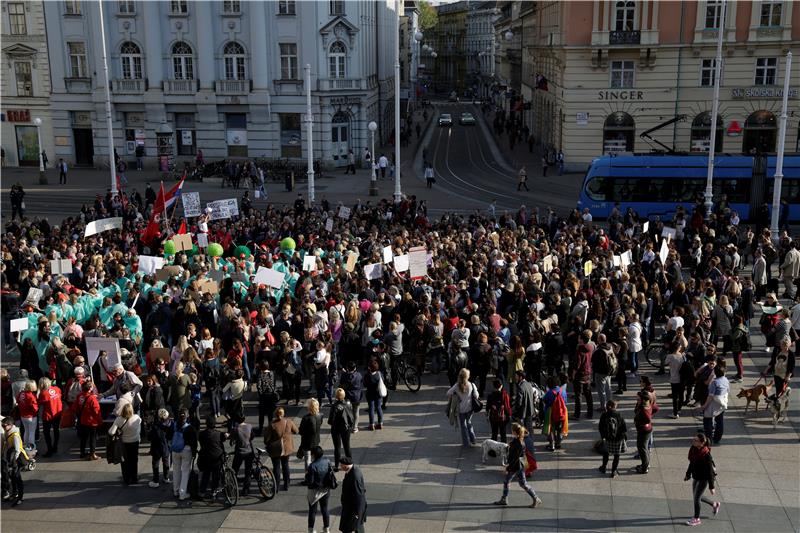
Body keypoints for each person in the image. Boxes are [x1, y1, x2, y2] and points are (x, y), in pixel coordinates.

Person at [493, 423, 542, 508]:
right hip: (520, 465)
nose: (511, 431)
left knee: (508, 482)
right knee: (523, 484)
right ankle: (535, 498)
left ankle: (504, 499)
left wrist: (507, 468)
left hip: (516, 466)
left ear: (515, 432)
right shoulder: (519, 440)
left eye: (512, 430)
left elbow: (514, 459)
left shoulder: (517, 443)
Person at [684, 433, 720, 526]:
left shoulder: (706, 455)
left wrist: (711, 487)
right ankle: (714, 504)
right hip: (696, 476)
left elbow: (710, 472)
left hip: (703, 479)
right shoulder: (693, 449)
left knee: (696, 499)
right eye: (693, 439)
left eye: (696, 440)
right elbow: (691, 463)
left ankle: (696, 518)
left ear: (702, 443)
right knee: (697, 496)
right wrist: (688, 474)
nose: (693, 441)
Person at [264, 406, 298, 491]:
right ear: (283, 414)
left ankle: (277, 486)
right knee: (285, 466)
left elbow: (266, 439)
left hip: (275, 449)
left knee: (276, 467)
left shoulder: (272, 424)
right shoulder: (289, 421)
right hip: (286, 448)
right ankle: (286, 484)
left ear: (276, 414)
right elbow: (296, 431)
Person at [108, 403, 142, 485]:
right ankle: (134, 478)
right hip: (135, 442)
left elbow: (111, 432)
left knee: (124, 461)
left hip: (124, 443)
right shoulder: (137, 418)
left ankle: (126, 479)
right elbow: (139, 425)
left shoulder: (119, 419)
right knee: (134, 460)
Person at [447, 368, 479, 448]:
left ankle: (466, 443)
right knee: (469, 423)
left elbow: (448, 393)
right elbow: (476, 396)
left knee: (463, 426)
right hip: (470, 408)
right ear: (467, 376)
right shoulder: (471, 385)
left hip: (461, 409)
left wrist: (456, 395)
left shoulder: (457, 386)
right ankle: (473, 439)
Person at [171, 409, 198, 502]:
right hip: (186, 450)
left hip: (175, 450)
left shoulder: (174, 425)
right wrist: (194, 453)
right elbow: (194, 443)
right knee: (185, 472)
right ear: (187, 416)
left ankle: (175, 490)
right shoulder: (190, 428)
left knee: (176, 470)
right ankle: (182, 494)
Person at [305, 445, 333, 533]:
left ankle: (311, 529)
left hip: (314, 491)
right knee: (325, 509)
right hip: (325, 490)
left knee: (312, 511)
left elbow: (310, 482)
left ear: (314, 455)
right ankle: (326, 529)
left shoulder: (312, 466)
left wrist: (307, 475)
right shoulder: (327, 461)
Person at [700, 362, 729, 444]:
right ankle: (717, 438)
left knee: (707, 419)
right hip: (722, 403)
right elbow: (727, 391)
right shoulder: (726, 380)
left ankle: (708, 439)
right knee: (720, 420)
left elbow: (711, 396)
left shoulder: (714, 382)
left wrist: (704, 405)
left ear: (715, 372)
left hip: (714, 403)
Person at [197, 415, 226, 496]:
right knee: (216, 475)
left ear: (206, 424)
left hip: (206, 458)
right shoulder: (219, 434)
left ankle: (202, 492)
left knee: (205, 475)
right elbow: (223, 439)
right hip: (217, 458)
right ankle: (214, 490)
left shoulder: (201, 434)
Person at [597, 400, 627, 478]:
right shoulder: (619, 415)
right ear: (615, 406)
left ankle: (603, 467)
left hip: (607, 439)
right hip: (618, 439)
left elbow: (600, 427)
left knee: (606, 453)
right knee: (616, 455)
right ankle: (613, 471)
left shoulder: (604, 415)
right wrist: (624, 437)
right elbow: (624, 427)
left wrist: (603, 437)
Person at [328, 388, 355, 470]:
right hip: (346, 428)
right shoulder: (348, 403)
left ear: (336, 396)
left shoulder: (334, 406)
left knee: (337, 447)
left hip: (336, 428)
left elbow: (331, 420)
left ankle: (336, 465)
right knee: (347, 446)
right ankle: (350, 463)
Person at [339, 456, 367, 533]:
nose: (340, 467)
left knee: (347, 528)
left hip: (352, 508)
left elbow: (358, 495)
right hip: (352, 507)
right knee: (358, 526)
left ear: (346, 465)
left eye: (341, 465)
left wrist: (358, 512)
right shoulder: (353, 470)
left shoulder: (354, 476)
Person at [2, 417, 26, 506]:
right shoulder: (8, 432)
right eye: (2, 426)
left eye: (4, 426)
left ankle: (20, 497)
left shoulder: (15, 435)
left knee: (17, 478)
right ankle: (14, 493)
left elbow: (17, 449)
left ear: (10, 425)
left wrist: (13, 462)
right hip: (10, 459)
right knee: (12, 477)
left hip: (16, 460)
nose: (3, 427)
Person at [76, 380, 102, 460]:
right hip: (92, 422)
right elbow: (96, 411)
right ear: (90, 388)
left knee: (83, 438)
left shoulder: (79, 396)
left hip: (83, 420)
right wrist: (100, 421)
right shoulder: (92, 398)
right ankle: (92, 454)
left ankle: (82, 453)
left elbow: (75, 407)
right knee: (92, 438)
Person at [230, 414, 255, 496]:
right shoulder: (249, 426)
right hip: (249, 451)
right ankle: (246, 489)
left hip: (239, 452)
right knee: (248, 471)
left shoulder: (235, 429)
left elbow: (232, 441)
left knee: (234, 469)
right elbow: (252, 437)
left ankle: (232, 486)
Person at [37, 377, 63, 457]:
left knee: (46, 433)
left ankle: (49, 450)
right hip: (57, 413)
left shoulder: (43, 393)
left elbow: (39, 403)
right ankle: (55, 447)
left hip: (48, 415)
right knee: (56, 431)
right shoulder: (57, 389)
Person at [148, 409, 173, 488]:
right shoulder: (171, 425)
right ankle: (166, 477)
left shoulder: (155, 426)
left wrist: (149, 427)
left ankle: (156, 480)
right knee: (166, 462)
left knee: (155, 464)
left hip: (156, 448)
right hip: (166, 447)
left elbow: (149, 437)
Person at [542, 375, 567, 452]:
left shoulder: (549, 392)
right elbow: (565, 402)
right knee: (559, 429)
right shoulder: (563, 391)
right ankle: (558, 443)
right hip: (561, 414)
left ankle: (551, 444)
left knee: (551, 430)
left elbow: (545, 400)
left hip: (551, 414)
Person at [299, 398, 323, 475]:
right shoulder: (320, 416)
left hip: (307, 442)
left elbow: (301, 431)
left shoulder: (306, 418)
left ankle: (308, 475)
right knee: (315, 458)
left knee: (307, 459)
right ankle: (315, 473)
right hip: (316, 440)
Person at [339, 361, 363, 433]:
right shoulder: (359, 375)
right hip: (356, 396)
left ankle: (347, 425)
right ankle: (355, 427)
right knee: (356, 412)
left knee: (346, 411)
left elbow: (342, 384)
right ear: (355, 368)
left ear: (347, 368)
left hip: (347, 396)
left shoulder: (344, 375)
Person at [633, 390, 654, 474]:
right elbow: (655, 408)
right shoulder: (645, 404)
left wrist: (642, 423)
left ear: (642, 399)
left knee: (642, 449)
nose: (637, 400)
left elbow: (648, 418)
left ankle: (645, 467)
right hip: (645, 430)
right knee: (643, 448)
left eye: (638, 399)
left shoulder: (644, 408)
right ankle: (645, 464)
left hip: (644, 431)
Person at [255, 360, 277, 434]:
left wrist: (261, 394)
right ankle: (270, 429)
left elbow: (258, 386)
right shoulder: (272, 373)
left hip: (263, 396)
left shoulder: (260, 375)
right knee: (270, 414)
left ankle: (260, 429)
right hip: (271, 395)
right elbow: (274, 383)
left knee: (261, 414)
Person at [512, 370, 536, 436]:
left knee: (524, 429)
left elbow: (519, 402)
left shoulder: (520, 387)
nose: (515, 378)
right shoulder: (529, 384)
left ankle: (527, 443)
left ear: (521, 377)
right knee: (529, 427)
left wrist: (515, 411)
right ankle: (530, 441)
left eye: (516, 376)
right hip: (530, 410)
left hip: (524, 412)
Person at [363, 359, 383, 431]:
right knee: (379, 408)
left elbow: (364, 385)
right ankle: (380, 423)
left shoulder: (367, 375)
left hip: (370, 394)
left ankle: (371, 424)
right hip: (378, 394)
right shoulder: (379, 374)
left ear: (370, 368)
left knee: (371, 408)